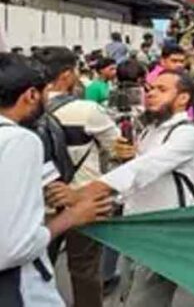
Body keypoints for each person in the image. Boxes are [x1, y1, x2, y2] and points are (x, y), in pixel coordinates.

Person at [81, 71, 194, 307]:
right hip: (136, 227)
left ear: (183, 98)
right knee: (127, 292)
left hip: (163, 234)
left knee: (145, 300)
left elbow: (144, 168)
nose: (151, 94)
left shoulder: (188, 135)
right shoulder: (150, 131)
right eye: (150, 89)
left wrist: (91, 190)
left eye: (162, 89)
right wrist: (122, 158)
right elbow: (137, 172)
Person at [0, 53, 111, 307]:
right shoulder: (18, 140)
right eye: (45, 92)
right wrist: (72, 217)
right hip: (17, 290)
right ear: (31, 95)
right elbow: (11, 248)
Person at [34, 47, 122, 307]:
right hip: (85, 201)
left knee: (37, 268)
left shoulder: (24, 107)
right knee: (85, 269)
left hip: (42, 202)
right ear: (66, 74)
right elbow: (116, 146)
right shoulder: (86, 110)